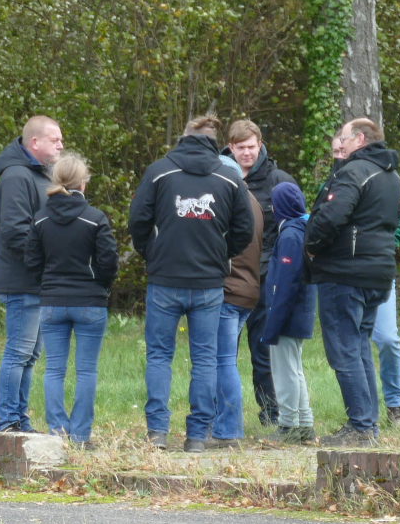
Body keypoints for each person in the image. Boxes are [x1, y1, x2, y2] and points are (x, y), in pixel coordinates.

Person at [126, 114, 255, 451]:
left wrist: (153, 254)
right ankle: (197, 436)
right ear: (215, 142)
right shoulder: (229, 177)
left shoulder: (159, 172)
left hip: (164, 278)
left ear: (184, 137)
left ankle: (157, 432)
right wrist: (220, 254)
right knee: (205, 358)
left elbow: (137, 221)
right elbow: (245, 230)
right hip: (208, 282)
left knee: (159, 356)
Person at [305, 117, 400, 446]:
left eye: (345, 139)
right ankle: (368, 425)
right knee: (360, 347)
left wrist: (311, 247)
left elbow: (331, 217)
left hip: (345, 272)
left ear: (360, 140)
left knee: (344, 350)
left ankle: (361, 426)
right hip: (378, 273)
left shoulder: (354, 172)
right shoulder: (391, 176)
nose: (341, 145)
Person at [21, 153, 117, 446]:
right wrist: (99, 285)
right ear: (83, 182)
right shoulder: (95, 218)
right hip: (90, 301)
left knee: (54, 369)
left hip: (52, 301)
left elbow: (31, 262)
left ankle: (57, 433)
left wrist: (48, 283)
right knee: (86, 370)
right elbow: (109, 262)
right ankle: (81, 435)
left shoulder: (41, 218)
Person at [0, 115, 65, 432]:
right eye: (55, 140)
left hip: (40, 281)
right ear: (34, 142)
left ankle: (20, 418)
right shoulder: (16, 176)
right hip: (22, 279)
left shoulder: (42, 176)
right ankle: (8, 420)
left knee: (31, 354)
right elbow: (14, 231)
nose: (61, 145)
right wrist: (47, 262)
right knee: (19, 350)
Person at [225, 120, 296, 427]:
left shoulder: (278, 181)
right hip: (227, 278)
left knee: (264, 350)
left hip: (267, 277)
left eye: (252, 147)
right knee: (223, 352)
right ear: (230, 147)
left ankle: (271, 414)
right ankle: (222, 416)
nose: (247, 153)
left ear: (261, 145)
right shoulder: (218, 177)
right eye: (241, 147)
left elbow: (294, 230)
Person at [207, 153, 264, 448]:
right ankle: (220, 424)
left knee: (222, 361)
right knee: (224, 359)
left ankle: (227, 430)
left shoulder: (230, 202)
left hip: (228, 290)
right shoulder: (253, 201)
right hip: (248, 290)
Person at [255, 181, 316, 444]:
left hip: (289, 315)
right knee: (294, 368)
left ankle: (289, 425)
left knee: (285, 371)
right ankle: (305, 425)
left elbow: (286, 284)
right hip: (298, 313)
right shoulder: (301, 229)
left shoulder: (290, 235)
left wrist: (274, 321)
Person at [373, 201, 400, 425]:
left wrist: (382, 245)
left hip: (380, 271)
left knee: (388, 339)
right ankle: (362, 411)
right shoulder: (340, 183)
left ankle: (395, 405)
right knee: (354, 344)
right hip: (347, 273)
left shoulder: (389, 183)